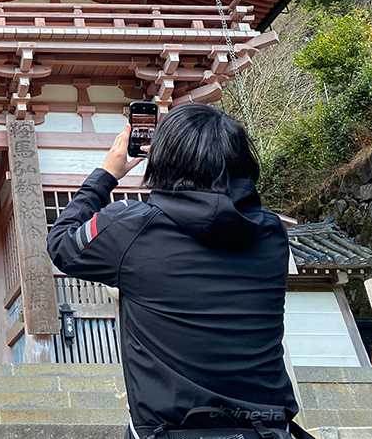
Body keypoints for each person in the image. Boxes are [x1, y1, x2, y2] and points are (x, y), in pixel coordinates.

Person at [47, 104, 300, 439]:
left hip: (169, 429)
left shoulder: (131, 227)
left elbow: (62, 242)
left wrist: (106, 174)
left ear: (161, 160)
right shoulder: (270, 234)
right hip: (267, 429)